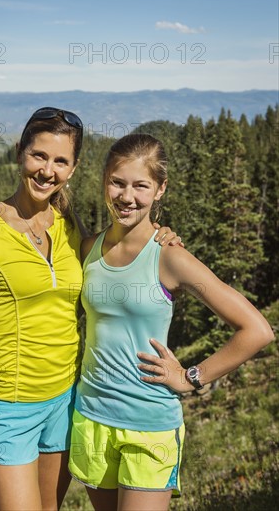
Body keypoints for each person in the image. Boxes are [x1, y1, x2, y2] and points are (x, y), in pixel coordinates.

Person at [0, 108, 181, 511]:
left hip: (67, 401)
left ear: (73, 169)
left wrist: (159, 234)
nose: (46, 171)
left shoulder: (66, 224)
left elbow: (111, 258)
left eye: (60, 161)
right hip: (8, 406)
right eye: (39, 155)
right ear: (20, 152)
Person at [68, 133, 274, 511]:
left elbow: (257, 330)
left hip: (149, 424)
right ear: (103, 182)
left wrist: (190, 377)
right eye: (117, 182)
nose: (127, 197)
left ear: (160, 189)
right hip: (91, 419)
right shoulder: (89, 249)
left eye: (140, 186)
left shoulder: (169, 257)